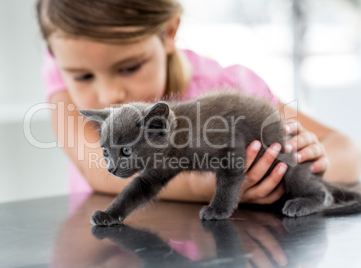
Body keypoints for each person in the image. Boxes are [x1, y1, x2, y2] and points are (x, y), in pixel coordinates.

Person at [36, 0, 361, 206]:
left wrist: (307, 157)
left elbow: (348, 151)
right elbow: (99, 173)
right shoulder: (64, 87)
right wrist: (218, 187)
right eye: (82, 76)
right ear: (55, 57)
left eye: (129, 67)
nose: (108, 95)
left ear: (168, 32)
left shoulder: (230, 89)